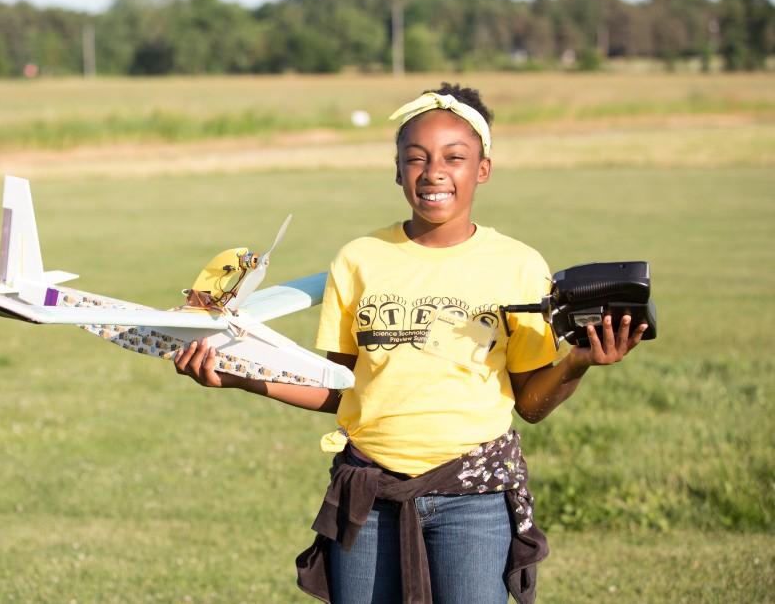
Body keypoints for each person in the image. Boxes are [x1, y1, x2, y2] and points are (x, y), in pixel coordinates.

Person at [173, 83, 647, 604]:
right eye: (415, 158)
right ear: (397, 170)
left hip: (474, 499)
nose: (434, 172)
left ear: (482, 169)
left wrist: (579, 360)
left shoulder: (518, 265)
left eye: (454, 157)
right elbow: (337, 389)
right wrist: (238, 375)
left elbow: (531, 404)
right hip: (369, 496)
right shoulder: (358, 259)